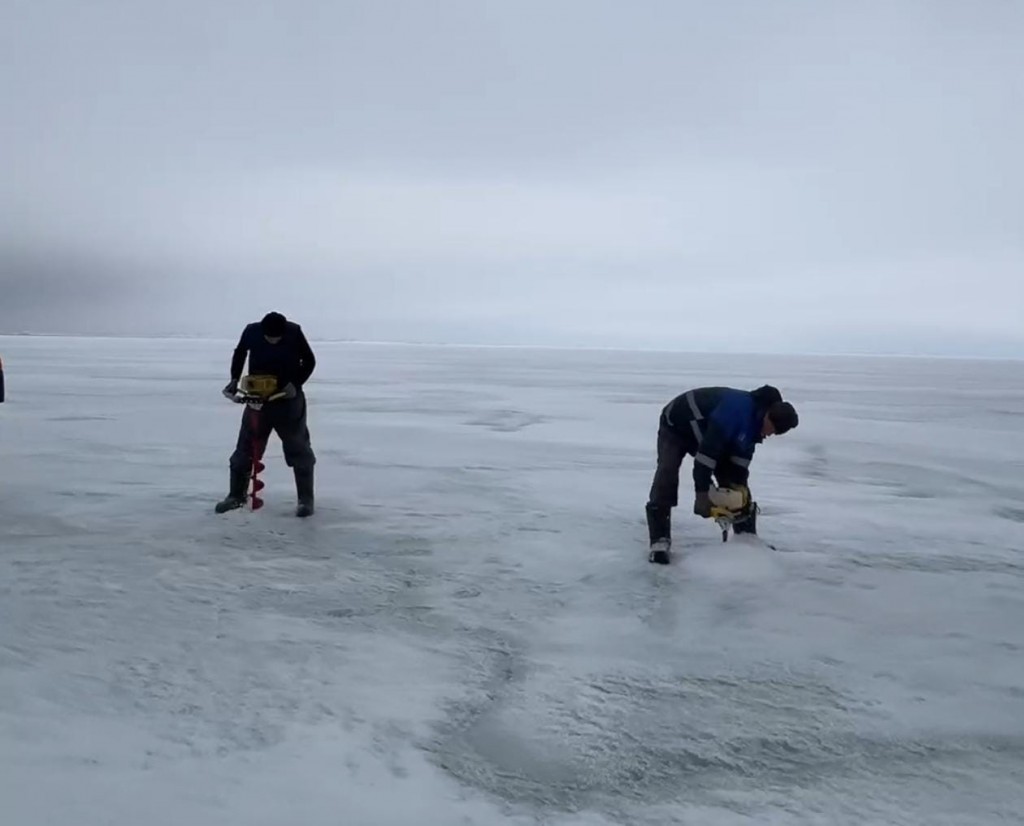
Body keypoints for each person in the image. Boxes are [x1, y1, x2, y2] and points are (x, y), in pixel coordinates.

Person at [645, 384, 798, 563]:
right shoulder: (734, 413)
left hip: (706, 429)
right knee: (667, 472)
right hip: (677, 424)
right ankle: (659, 541)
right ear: (767, 416)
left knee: (733, 481)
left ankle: (746, 537)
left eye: (773, 434)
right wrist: (702, 496)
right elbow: (705, 459)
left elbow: (739, 471)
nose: (768, 435)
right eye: (770, 430)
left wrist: (739, 497)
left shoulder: (754, 429)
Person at [215, 311, 318, 517]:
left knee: (298, 447)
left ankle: (305, 501)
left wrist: (295, 384)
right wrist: (235, 379)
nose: (273, 340)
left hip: (288, 401)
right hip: (257, 399)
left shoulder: (294, 332)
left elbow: (309, 361)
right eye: (270, 337)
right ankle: (236, 496)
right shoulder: (252, 331)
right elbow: (240, 353)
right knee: (245, 448)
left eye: (277, 338)